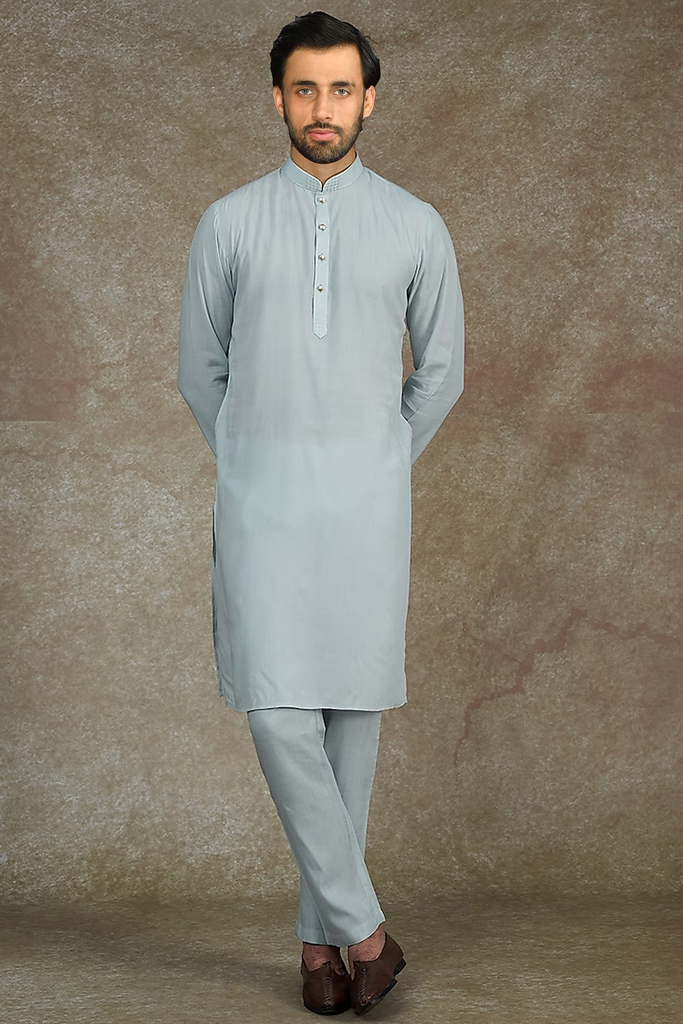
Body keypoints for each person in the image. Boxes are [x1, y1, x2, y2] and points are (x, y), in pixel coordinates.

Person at [178, 10, 464, 1016]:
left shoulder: (416, 225)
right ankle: (369, 935)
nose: (322, 107)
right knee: (277, 708)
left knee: (349, 725)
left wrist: (377, 461)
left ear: (368, 99)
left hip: (366, 512)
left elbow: (440, 372)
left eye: (340, 88)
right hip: (262, 505)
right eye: (304, 88)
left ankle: (318, 952)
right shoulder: (227, 222)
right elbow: (199, 370)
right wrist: (257, 461)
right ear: (277, 98)